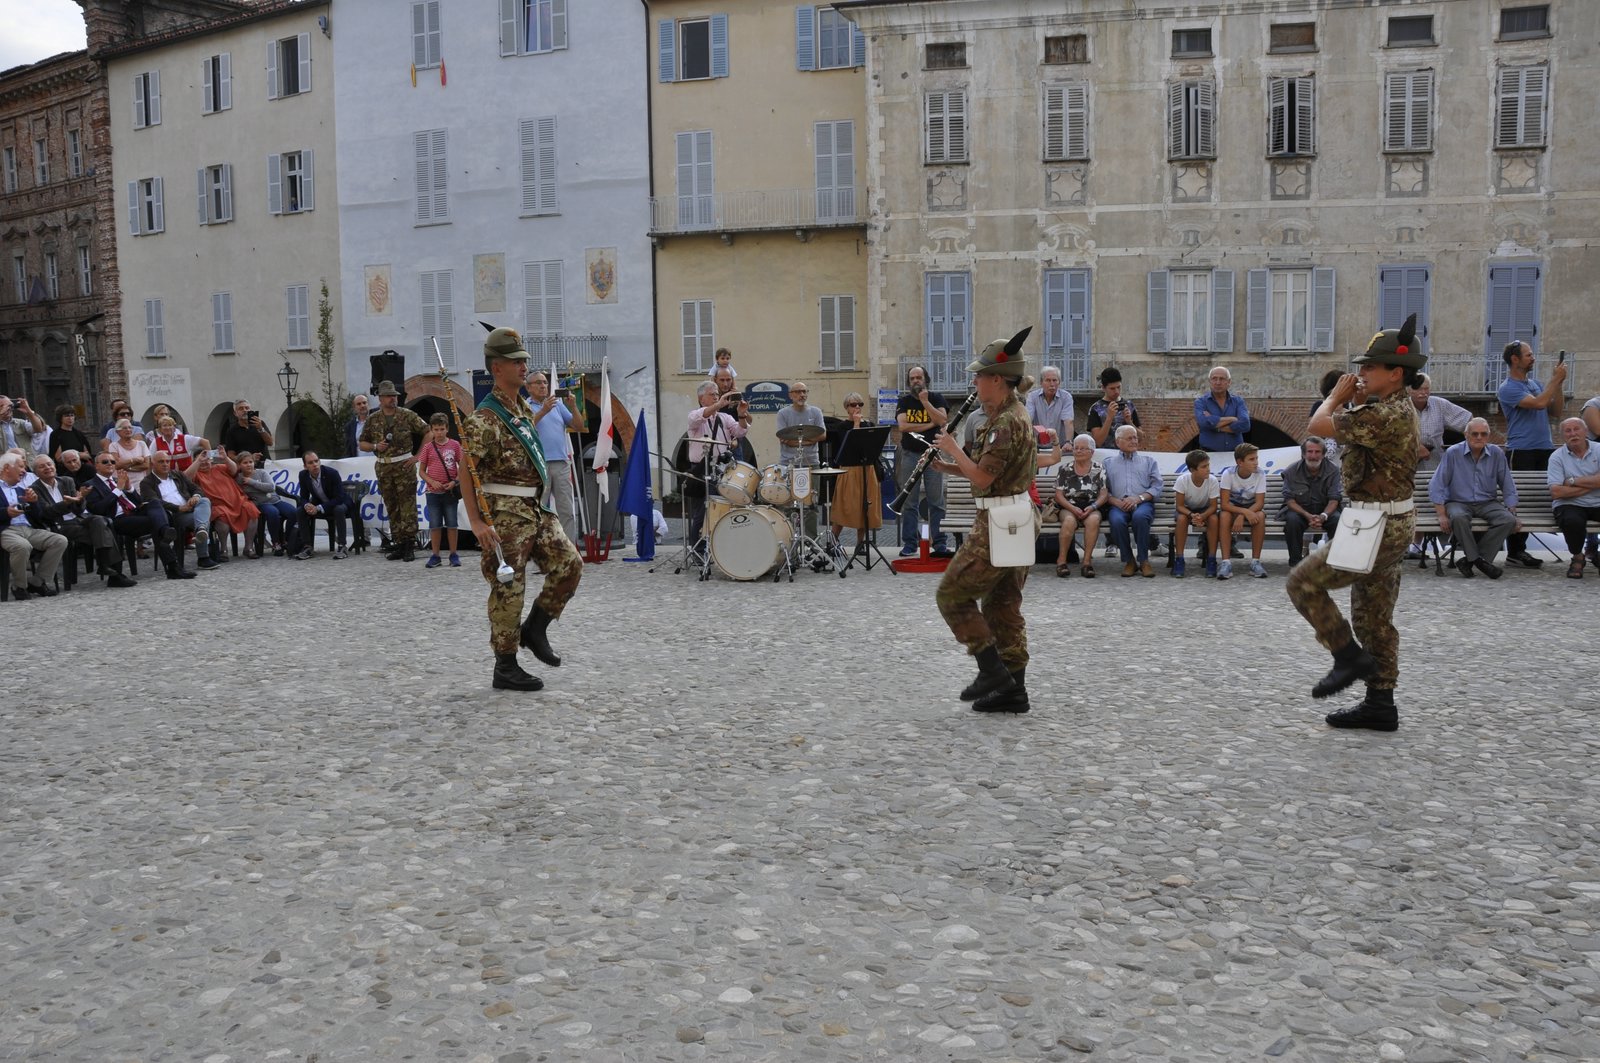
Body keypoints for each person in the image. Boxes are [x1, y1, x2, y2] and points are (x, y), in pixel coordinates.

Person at [1288, 314, 1424, 732]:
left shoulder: (1388, 414)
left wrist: (1334, 396)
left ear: (1395, 373)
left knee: (1302, 583)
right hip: (1384, 521)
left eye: (1369, 367)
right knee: (1373, 618)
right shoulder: (1385, 406)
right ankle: (1381, 703)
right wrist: (1350, 397)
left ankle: (1347, 656)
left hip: (1375, 526)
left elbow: (1316, 426)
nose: (1360, 374)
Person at [459, 327, 584, 692]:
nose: (524, 366)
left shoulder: (520, 410)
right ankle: (506, 665)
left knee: (570, 565)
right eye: (516, 361)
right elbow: (468, 471)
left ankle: (535, 629)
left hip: (534, 507)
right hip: (503, 514)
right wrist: (477, 521)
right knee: (508, 587)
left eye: (524, 360)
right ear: (497, 367)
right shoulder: (485, 417)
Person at [932, 328, 1038, 714]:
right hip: (1017, 515)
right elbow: (987, 471)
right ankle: (1014, 690)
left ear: (998, 379)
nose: (974, 382)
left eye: (979, 376)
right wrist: (949, 464)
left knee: (952, 595)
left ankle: (990, 670)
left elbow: (983, 478)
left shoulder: (1006, 422)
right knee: (1002, 606)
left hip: (998, 520)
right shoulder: (1010, 415)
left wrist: (952, 447)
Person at [1496, 341, 1565, 568]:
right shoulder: (1508, 388)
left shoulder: (1535, 384)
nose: (1533, 358)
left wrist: (1559, 385)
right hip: (1521, 450)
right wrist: (1554, 380)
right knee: (1520, 499)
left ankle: (1521, 549)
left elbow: (1555, 411)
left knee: (1540, 496)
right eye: (1529, 355)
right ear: (1515, 359)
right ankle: (1516, 551)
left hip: (1544, 448)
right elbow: (1538, 404)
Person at [1426, 418, 1517, 580]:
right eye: (1475, 434)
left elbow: (1507, 483)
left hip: (1488, 502)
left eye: (1483, 434)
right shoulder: (1453, 453)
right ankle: (1478, 561)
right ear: (1466, 435)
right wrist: (1441, 514)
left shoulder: (1496, 453)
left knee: (1508, 520)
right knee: (1459, 518)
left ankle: (1471, 561)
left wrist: (1512, 508)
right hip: (1458, 501)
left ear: (1488, 436)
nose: (1479, 437)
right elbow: (1437, 484)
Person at [30, 452, 135, 588]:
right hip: (60, 525)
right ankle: (113, 573)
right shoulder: (35, 488)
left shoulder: (66, 480)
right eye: (42, 467)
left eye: (49, 464)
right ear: (35, 472)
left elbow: (79, 510)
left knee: (99, 520)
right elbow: (47, 513)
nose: (47, 468)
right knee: (106, 531)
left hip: (78, 519)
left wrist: (81, 500)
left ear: (55, 466)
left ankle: (105, 566)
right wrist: (67, 503)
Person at [86, 451, 185, 578]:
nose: (110, 464)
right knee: (158, 522)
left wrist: (129, 488)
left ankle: (165, 531)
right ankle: (173, 567)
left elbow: (139, 502)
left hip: (134, 513)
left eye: (112, 462)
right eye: (105, 462)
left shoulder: (118, 480)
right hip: (116, 519)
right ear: (97, 466)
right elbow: (98, 509)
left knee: (154, 503)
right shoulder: (90, 485)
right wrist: (118, 489)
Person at [359, 381, 429, 561]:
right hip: (384, 467)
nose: (393, 399)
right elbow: (362, 443)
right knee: (392, 506)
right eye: (389, 396)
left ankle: (409, 544)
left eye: (395, 396)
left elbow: (428, 432)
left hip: (404, 466)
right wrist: (375, 446)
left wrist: (418, 456)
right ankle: (399, 542)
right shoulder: (373, 419)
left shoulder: (407, 415)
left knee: (407, 507)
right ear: (381, 398)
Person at [685, 380, 747, 550]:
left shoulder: (724, 417)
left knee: (725, 508)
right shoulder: (694, 415)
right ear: (701, 398)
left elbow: (741, 431)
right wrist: (719, 404)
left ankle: (719, 547)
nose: (716, 397)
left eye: (717, 394)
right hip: (702, 468)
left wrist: (741, 414)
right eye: (712, 394)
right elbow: (700, 417)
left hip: (722, 469)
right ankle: (698, 549)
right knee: (703, 511)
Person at [895, 365, 950, 557]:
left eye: (919, 377)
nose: (916, 381)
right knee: (909, 502)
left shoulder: (936, 398)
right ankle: (910, 543)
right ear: (909, 382)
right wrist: (930, 423)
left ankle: (940, 543)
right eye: (912, 379)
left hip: (933, 455)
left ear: (926, 379)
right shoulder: (904, 401)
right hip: (910, 454)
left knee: (936, 501)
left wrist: (925, 403)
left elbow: (943, 420)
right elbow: (902, 426)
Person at [1, 451, 68, 598]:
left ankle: (37, 582)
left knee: (59, 540)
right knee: (22, 546)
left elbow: (39, 516)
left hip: (28, 529)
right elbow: (5, 513)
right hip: (6, 530)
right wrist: (6, 512)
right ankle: (19, 586)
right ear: (7, 468)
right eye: (20, 467)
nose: (24, 471)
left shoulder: (21, 489)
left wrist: (34, 503)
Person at [524, 370, 579, 543]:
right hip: (538, 464)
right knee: (538, 511)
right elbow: (525, 427)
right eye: (538, 383)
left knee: (567, 510)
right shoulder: (524, 406)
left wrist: (573, 407)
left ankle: (569, 553)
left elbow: (578, 425)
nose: (543, 386)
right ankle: (541, 555)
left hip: (561, 463)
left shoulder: (558, 405)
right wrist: (543, 411)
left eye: (545, 383)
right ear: (528, 387)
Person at [140, 449, 218, 570]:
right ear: (152, 464)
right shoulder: (147, 482)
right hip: (173, 515)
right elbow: (154, 502)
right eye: (161, 461)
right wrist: (179, 508)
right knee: (201, 519)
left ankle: (201, 529)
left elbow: (196, 489)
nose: (165, 464)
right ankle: (203, 557)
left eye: (167, 461)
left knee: (204, 501)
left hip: (191, 509)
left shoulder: (177, 475)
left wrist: (195, 497)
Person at [1104, 424, 1162, 577]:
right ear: (1118, 442)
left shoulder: (1149, 461)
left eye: (1135, 437)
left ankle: (1144, 561)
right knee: (1116, 521)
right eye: (1129, 438)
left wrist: (1139, 498)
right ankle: (1129, 561)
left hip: (1142, 503)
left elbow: (1157, 486)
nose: (1134, 441)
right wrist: (1114, 501)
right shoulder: (1108, 463)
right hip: (1118, 504)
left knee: (1140, 517)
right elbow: (1102, 489)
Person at [829, 393, 882, 554]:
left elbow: (870, 447)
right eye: (853, 404)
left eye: (860, 404)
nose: (857, 407)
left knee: (865, 507)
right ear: (847, 408)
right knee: (844, 507)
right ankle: (832, 542)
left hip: (867, 469)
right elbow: (851, 445)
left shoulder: (869, 425)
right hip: (849, 470)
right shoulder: (841, 427)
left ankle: (861, 544)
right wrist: (857, 424)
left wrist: (861, 424)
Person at [1548, 417, 1600, 579]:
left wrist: (1572, 481)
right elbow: (1556, 492)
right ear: (1563, 436)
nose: (1573, 434)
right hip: (1570, 504)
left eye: (1576, 429)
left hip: (1598, 502)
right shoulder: (1557, 457)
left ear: (1585, 432)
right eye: (1568, 431)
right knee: (1572, 521)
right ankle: (1577, 557)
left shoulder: (1599, 449)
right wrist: (1593, 484)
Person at [1280, 437, 1343, 569]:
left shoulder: (1334, 470)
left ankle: (1334, 563)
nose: (1313, 456)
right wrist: (1307, 515)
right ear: (1303, 453)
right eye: (1310, 451)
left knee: (1338, 519)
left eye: (1317, 452)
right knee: (1292, 520)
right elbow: (1290, 501)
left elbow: (1334, 499)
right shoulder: (1291, 471)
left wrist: (1323, 516)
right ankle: (1295, 563)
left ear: (1324, 454)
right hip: (1300, 510)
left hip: (1326, 510)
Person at [1052, 433, 1107, 578]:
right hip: (1069, 506)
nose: (1078, 451)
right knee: (1069, 521)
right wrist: (1073, 508)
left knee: (1093, 520)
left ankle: (1087, 562)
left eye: (1083, 448)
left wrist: (1094, 506)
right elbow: (1058, 495)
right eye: (1076, 448)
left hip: (1091, 506)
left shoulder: (1099, 468)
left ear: (1092, 452)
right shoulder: (1065, 469)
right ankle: (1061, 561)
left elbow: (1104, 494)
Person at [777, 381, 826, 542]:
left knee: (811, 504)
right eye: (798, 392)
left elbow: (822, 435)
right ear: (791, 395)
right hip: (788, 464)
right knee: (789, 504)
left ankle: (811, 541)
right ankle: (789, 539)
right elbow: (784, 438)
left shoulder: (816, 412)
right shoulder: (783, 413)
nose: (802, 395)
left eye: (804, 391)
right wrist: (809, 441)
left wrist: (799, 442)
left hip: (811, 463)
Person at [189, 448, 259, 560]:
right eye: (201, 460)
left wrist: (225, 458)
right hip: (218, 505)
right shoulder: (196, 474)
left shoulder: (219, 467)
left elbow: (235, 469)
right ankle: (223, 549)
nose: (205, 462)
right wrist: (198, 461)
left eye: (207, 459)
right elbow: (185, 477)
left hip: (238, 500)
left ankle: (248, 548)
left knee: (251, 510)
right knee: (222, 515)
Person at [417, 412, 464, 567]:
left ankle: (453, 554)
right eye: (436, 429)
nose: (439, 432)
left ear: (447, 429)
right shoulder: (428, 448)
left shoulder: (455, 445)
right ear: (431, 430)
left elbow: (463, 467)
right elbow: (422, 471)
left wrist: (455, 482)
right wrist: (431, 481)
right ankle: (435, 555)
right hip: (433, 492)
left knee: (452, 523)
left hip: (449, 491)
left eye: (442, 429)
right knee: (435, 524)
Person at [1218, 443, 1268, 579]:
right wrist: (1242, 513)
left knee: (1260, 516)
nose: (1256, 462)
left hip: (1252, 508)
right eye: (1251, 459)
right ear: (1240, 462)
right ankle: (1226, 563)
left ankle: (1255, 562)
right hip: (1233, 509)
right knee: (1224, 515)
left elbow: (1259, 503)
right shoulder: (1228, 474)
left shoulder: (1260, 473)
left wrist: (1244, 514)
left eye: (1256, 458)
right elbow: (1224, 504)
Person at [236, 452, 300, 556]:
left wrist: (251, 482)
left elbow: (271, 487)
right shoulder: (239, 478)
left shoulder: (262, 473)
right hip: (261, 503)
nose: (249, 464)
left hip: (275, 500)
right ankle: (276, 543)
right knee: (273, 513)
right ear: (239, 465)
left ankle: (286, 540)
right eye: (245, 463)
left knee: (293, 511)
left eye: (251, 462)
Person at [1171, 450, 1220, 579]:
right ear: (1192, 470)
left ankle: (1211, 558)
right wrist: (1192, 515)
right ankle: (1179, 559)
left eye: (1208, 465)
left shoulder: (1212, 481)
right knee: (1181, 519)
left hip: (1205, 509)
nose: (1208, 469)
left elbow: (1214, 506)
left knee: (1214, 519)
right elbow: (1179, 506)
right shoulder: (1182, 480)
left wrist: (1202, 516)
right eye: (1204, 467)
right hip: (1186, 510)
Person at [294, 451, 349, 560]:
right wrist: (306, 505)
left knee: (338, 509)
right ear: (305, 466)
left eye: (316, 461)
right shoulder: (303, 475)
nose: (314, 464)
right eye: (310, 463)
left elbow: (339, 498)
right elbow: (303, 497)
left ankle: (342, 546)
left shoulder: (332, 473)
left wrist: (318, 508)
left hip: (339, 503)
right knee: (300, 511)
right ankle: (307, 547)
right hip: (320, 502)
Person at [1194, 367, 1252, 451]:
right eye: (1214, 378)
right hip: (1209, 455)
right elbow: (1203, 422)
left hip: (1235, 454)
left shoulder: (1238, 401)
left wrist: (1216, 426)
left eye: (1222, 379)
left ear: (1229, 382)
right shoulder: (1201, 402)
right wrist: (1232, 419)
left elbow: (1245, 425)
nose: (1218, 382)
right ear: (1209, 381)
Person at [1086, 366, 1140, 447]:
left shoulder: (1129, 405)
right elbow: (1097, 442)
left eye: (1118, 387)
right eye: (1112, 388)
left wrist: (1130, 422)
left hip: (1127, 455)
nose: (1116, 391)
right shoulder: (1096, 409)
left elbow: (1141, 438)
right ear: (1103, 388)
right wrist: (1109, 418)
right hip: (1105, 455)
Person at [1026, 366, 1073, 446]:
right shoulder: (1032, 397)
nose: (1052, 384)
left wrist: (1068, 442)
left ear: (1059, 382)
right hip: (1037, 447)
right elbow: (1027, 419)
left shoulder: (1066, 397)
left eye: (1055, 380)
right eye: (1048, 380)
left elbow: (1068, 421)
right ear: (1041, 382)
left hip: (1059, 446)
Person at [345, 393, 370, 457]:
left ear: (368, 404)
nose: (362, 406)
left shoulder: (378, 420)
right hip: (359, 463)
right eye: (359, 404)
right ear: (354, 407)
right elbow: (349, 449)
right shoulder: (350, 426)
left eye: (364, 403)